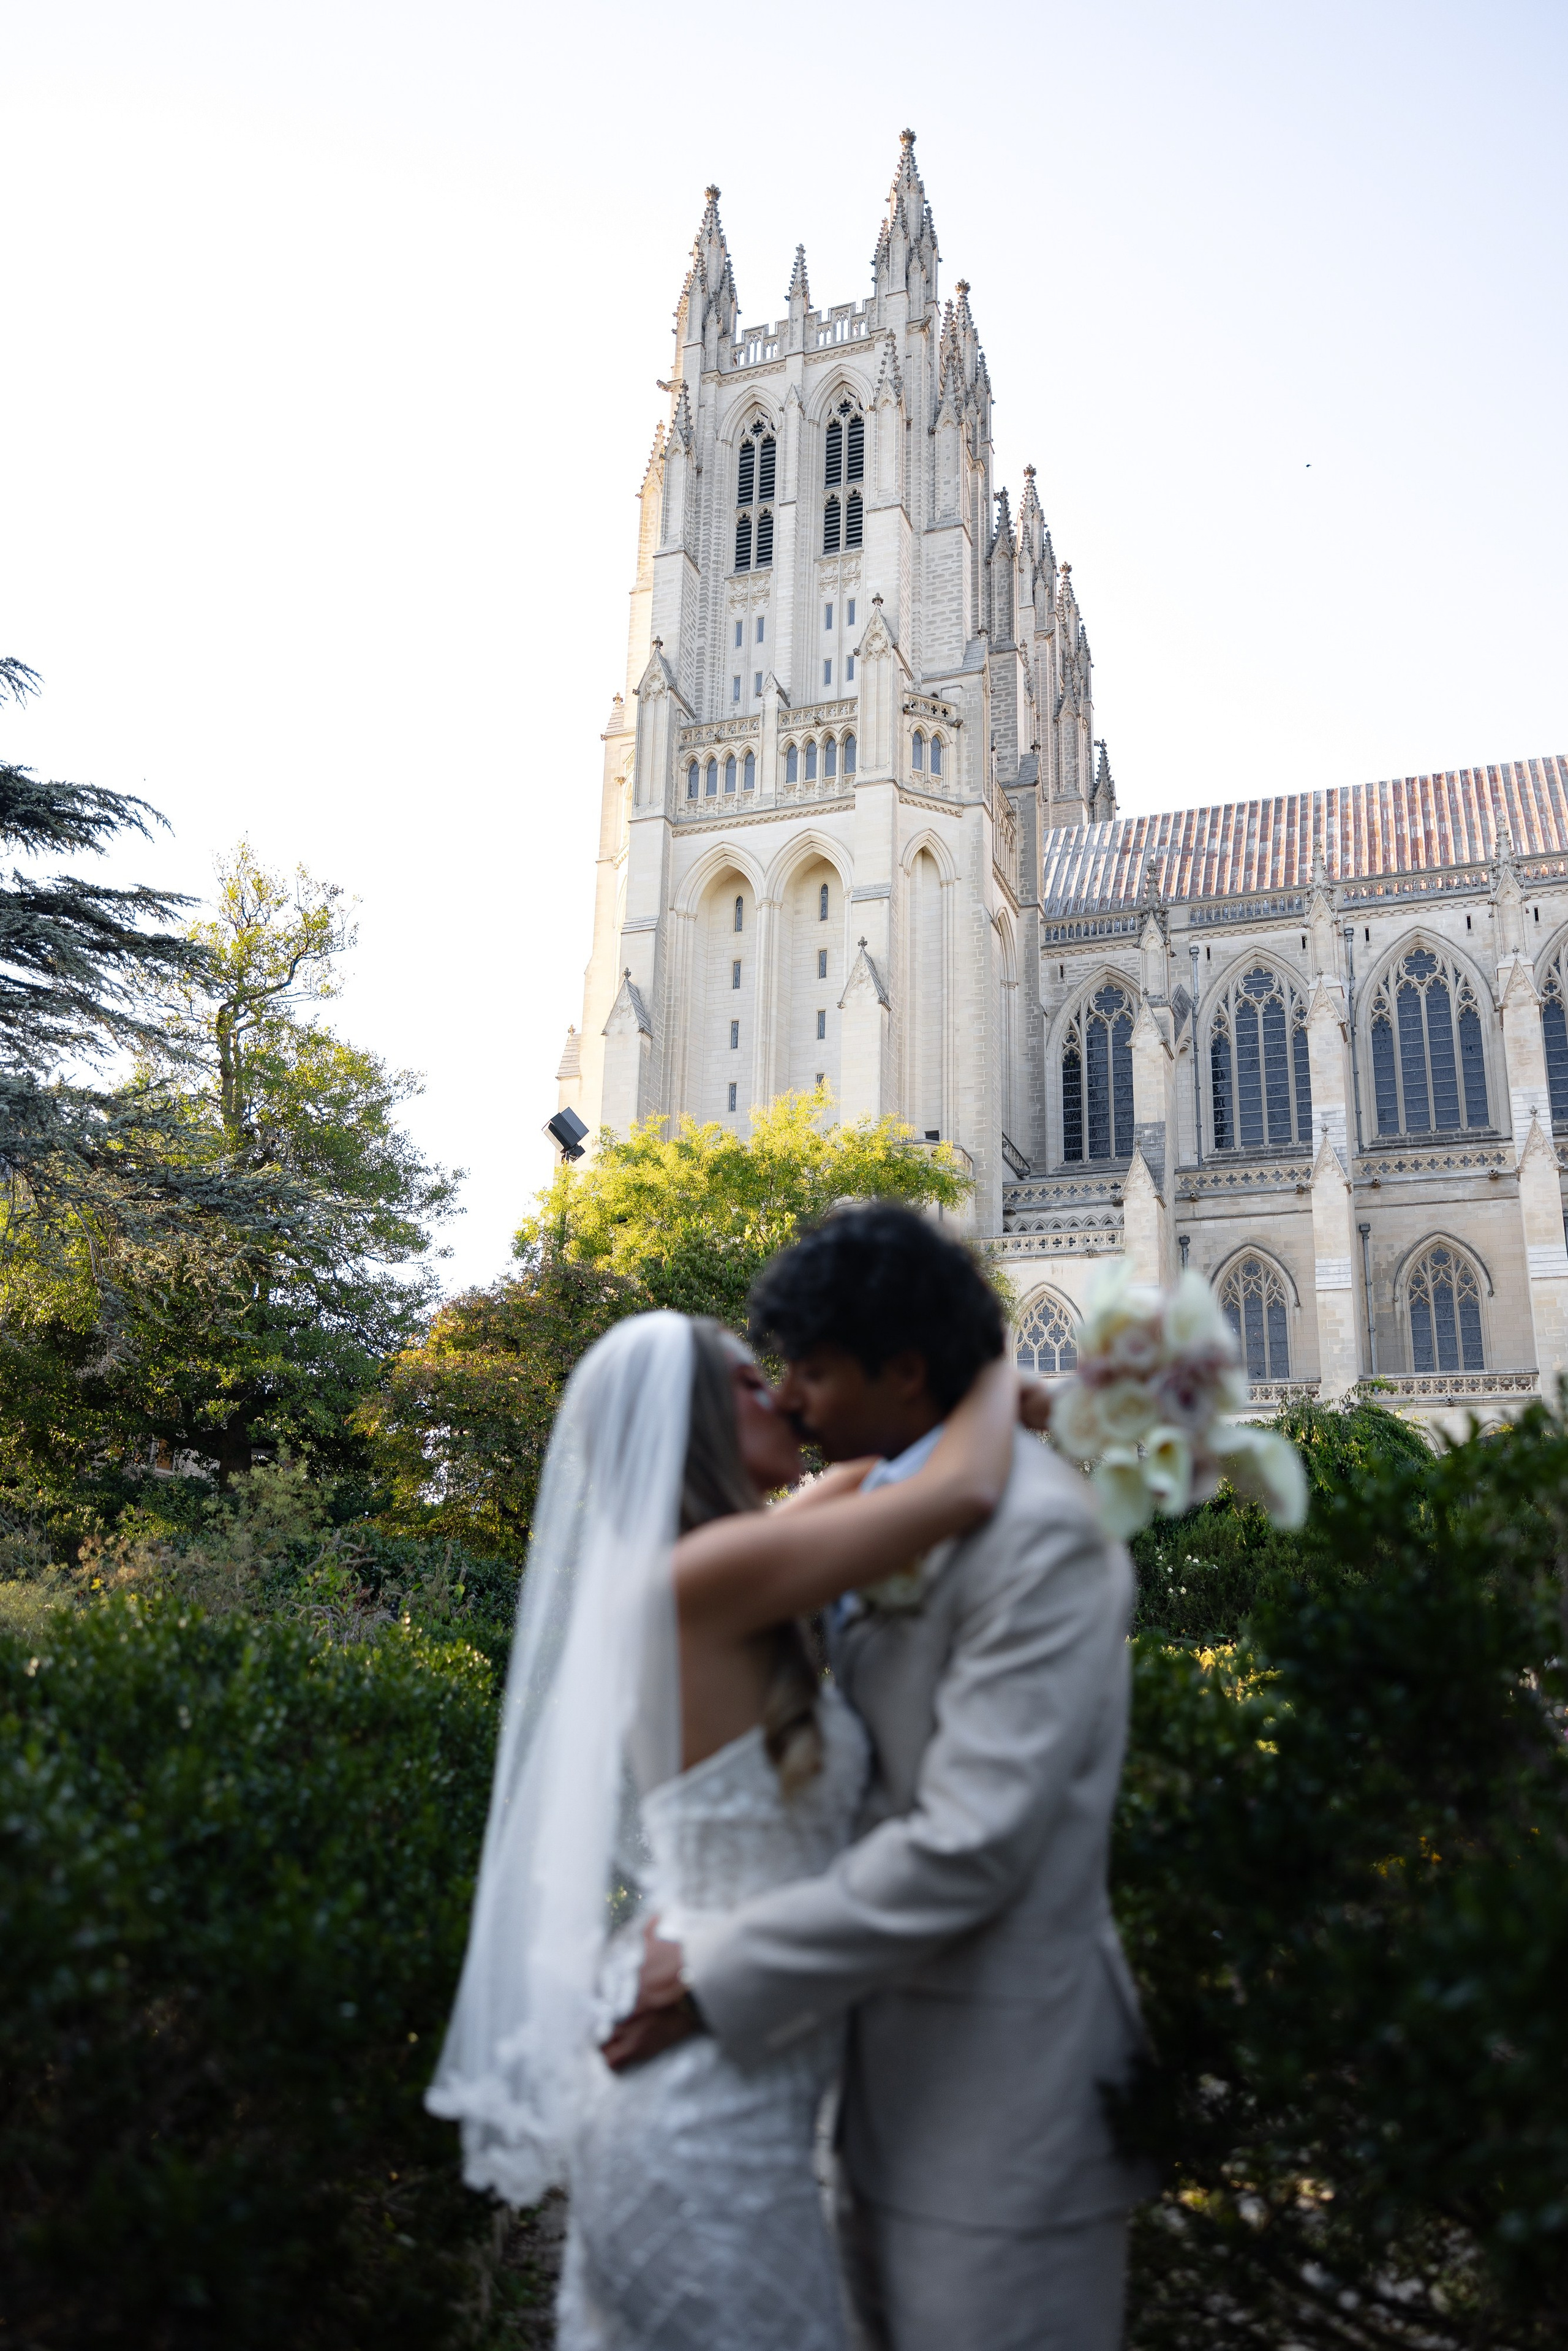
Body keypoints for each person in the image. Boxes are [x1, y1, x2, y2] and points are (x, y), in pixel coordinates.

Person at [426, 1297, 1020, 2350]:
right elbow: (961, 1481)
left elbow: (863, 1477)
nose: (786, 1394)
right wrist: (988, 1382)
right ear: (696, 1426)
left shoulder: (717, 1563)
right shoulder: (702, 1578)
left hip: (735, 2073)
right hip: (699, 2123)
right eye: (753, 1382)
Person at [607, 1205, 1152, 2351]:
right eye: (766, 1377)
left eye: (807, 1369)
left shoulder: (1038, 1535)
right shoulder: (859, 1511)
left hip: (1002, 2113)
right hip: (837, 2095)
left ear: (900, 1372)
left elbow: (972, 1842)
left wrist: (712, 1961)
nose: (791, 1397)